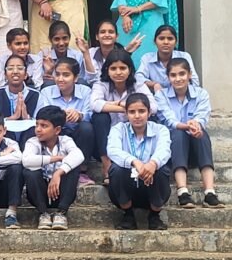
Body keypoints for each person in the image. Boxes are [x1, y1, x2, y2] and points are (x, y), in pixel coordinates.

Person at [155, 58, 223, 208]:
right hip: (172, 151)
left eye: (182, 74)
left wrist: (196, 125)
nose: (178, 78)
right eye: (173, 75)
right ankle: (182, 191)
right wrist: (188, 126)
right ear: (168, 77)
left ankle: (210, 192)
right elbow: (169, 120)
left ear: (190, 74)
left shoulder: (201, 94)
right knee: (178, 133)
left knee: (201, 134)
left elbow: (202, 116)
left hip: (195, 148)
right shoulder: (161, 96)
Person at [91, 48, 156, 184]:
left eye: (122, 68)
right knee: (99, 117)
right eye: (113, 68)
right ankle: (107, 166)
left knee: (151, 118)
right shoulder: (101, 84)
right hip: (105, 140)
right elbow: (95, 104)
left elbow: (153, 107)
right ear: (107, 70)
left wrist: (124, 106)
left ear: (130, 69)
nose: (118, 72)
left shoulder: (138, 84)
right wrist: (127, 108)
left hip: (130, 136)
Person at [107, 93, 171, 230]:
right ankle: (128, 214)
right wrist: (134, 161)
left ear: (149, 112)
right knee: (116, 169)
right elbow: (112, 150)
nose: (137, 116)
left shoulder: (161, 130)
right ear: (126, 114)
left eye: (141, 111)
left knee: (162, 169)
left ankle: (154, 215)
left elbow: (164, 150)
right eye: (132, 112)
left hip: (151, 186)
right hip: (127, 188)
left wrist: (152, 164)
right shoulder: (118, 129)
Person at [22, 106, 85, 230]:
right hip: (41, 192)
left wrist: (58, 173)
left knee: (73, 168)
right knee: (30, 172)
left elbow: (79, 155)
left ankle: (61, 213)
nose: (38, 129)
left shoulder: (65, 140)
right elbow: (26, 160)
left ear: (57, 130)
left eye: (44, 126)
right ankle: (43, 213)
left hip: (60, 192)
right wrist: (54, 158)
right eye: (37, 125)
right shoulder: (33, 142)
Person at [40, 57, 95, 186]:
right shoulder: (46, 92)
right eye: (57, 74)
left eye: (66, 75)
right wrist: (60, 115)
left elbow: (91, 114)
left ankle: (81, 170)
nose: (60, 79)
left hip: (77, 132)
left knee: (87, 128)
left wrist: (80, 115)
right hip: (56, 131)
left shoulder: (85, 91)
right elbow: (43, 115)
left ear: (75, 78)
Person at [0, 55, 45, 148]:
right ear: (5, 75)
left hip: (30, 139)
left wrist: (27, 117)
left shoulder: (37, 95)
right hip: (3, 139)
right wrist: (12, 118)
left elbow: (43, 123)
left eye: (20, 68)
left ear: (26, 74)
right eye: (10, 68)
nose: (15, 72)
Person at [76, 19, 142, 85]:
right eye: (103, 32)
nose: (107, 35)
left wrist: (127, 53)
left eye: (111, 32)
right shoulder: (90, 53)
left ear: (117, 37)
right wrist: (86, 53)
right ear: (97, 37)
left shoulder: (124, 52)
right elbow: (92, 80)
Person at [136, 25, 199, 92]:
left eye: (170, 39)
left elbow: (194, 82)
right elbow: (138, 78)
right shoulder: (147, 58)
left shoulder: (184, 56)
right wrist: (153, 84)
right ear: (154, 42)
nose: (166, 42)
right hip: (155, 97)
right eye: (161, 38)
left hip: (180, 96)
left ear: (176, 42)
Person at [39, 20, 85, 87]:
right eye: (56, 39)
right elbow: (39, 84)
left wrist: (57, 80)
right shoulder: (43, 56)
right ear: (50, 39)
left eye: (65, 38)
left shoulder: (77, 56)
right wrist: (48, 72)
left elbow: (81, 80)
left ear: (69, 37)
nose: (61, 43)